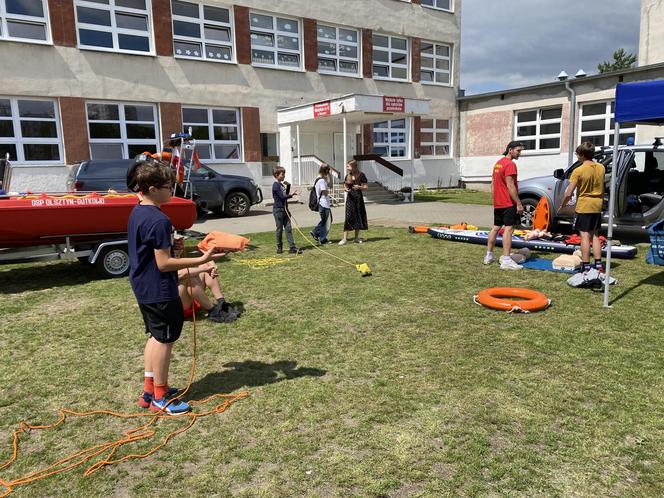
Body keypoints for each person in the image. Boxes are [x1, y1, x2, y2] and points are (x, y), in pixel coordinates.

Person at [128, 157, 224, 415]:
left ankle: (149, 391)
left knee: (155, 337)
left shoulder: (139, 211)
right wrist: (202, 259)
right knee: (164, 340)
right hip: (159, 289)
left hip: (143, 287)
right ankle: (160, 396)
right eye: (168, 186)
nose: (172, 190)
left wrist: (175, 249)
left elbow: (155, 253)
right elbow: (163, 264)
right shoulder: (159, 220)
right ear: (152, 189)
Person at [560, 141, 605, 273]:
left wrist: (563, 204)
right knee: (595, 234)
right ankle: (598, 264)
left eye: (577, 154)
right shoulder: (601, 167)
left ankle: (585, 265)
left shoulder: (578, 170)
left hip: (584, 205)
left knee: (584, 235)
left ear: (581, 155)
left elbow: (569, 192)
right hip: (597, 204)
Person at [484, 141, 525, 270]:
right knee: (509, 229)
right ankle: (506, 260)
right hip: (508, 202)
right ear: (510, 150)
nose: (520, 154)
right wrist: (518, 203)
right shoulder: (510, 164)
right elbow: (510, 185)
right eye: (518, 151)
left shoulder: (498, 163)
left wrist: (496, 198)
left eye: (520, 151)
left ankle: (489, 256)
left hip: (499, 202)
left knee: (496, 228)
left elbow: (492, 183)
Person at [271, 166, 301, 254]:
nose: (284, 176)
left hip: (285, 210)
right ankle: (279, 248)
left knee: (288, 228)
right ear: (276, 175)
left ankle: (292, 248)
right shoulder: (275, 185)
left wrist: (288, 187)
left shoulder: (281, 185)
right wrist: (292, 194)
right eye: (282, 174)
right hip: (278, 210)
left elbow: (285, 196)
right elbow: (282, 197)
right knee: (279, 229)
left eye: (284, 174)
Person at [339, 159, 368, 245]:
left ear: (354, 166)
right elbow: (345, 184)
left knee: (358, 216)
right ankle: (344, 239)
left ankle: (356, 237)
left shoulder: (361, 175)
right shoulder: (348, 175)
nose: (347, 168)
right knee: (348, 217)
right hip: (350, 199)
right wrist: (345, 188)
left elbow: (366, 187)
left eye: (348, 166)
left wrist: (359, 187)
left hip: (358, 198)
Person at [310, 163, 332, 244]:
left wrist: (330, 176)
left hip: (323, 203)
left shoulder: (320, 178)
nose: (328, 172)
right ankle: (322, 238)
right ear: (325, 170)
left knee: (325, 221)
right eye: (328, 171)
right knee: (325, 222)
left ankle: (316, 233)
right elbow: (325, 193)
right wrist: (327, 189)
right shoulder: (322, 180)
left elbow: (331, 185)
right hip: (323, 203)